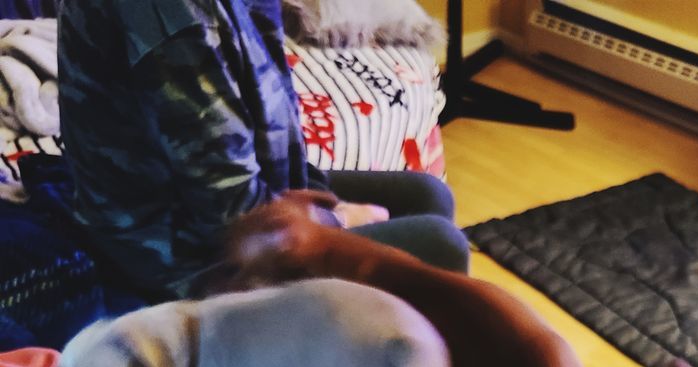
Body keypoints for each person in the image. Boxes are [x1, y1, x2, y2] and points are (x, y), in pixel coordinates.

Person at [55, 0, 470, 301]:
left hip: (238, 199)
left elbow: (271, 119)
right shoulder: (167, 17)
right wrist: (334, 218)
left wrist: (316, 196)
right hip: (177, 253)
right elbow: (232, 215)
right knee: (439, 243)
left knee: (428, 195)